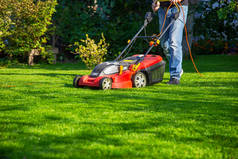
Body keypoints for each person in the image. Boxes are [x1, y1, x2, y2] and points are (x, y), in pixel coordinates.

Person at [152, 0, 188, 84]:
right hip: (162, 9)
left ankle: (175, 76)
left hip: (178, 7)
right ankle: (178, 68)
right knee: (164, 44)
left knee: (174, 42)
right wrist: (155, 2)